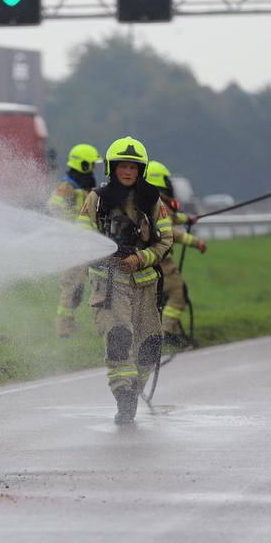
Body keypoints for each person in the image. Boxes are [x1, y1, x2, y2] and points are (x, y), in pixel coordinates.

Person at [77, 137, 174, 425]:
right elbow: (83, 236)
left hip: (144, 283)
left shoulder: (152, 200)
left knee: (150, 344)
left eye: (133, 167)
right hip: (109, 282)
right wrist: (107, 253)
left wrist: (140, 258)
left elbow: (166, 239)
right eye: (123, 166)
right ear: (112, 168)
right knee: (119, 338)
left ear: (140, 170)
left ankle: (135, 388)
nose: (128, 172)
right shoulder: (97, 198)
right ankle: (124, 397)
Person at [145, 160, 206, 345]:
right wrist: (195, 242)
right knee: (177, 294)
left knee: (159, 299)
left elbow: (170, 218)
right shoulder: (157, 202)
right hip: (161, 259)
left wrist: (188, 219)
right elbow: (169, 231)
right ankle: (164, 334)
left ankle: (166, 333)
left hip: (152, 258)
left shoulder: (151, 201)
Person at [48, 143, 100, 338]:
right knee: (72, 287)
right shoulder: (67, 185)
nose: (94, 169)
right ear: (83, 165)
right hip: (71, 247)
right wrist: (69, 227)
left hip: (86, 245)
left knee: (86, 287)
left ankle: (97, 324)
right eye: (91, 165)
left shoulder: (84, 185)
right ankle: (64, 329)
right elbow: (54, 206)